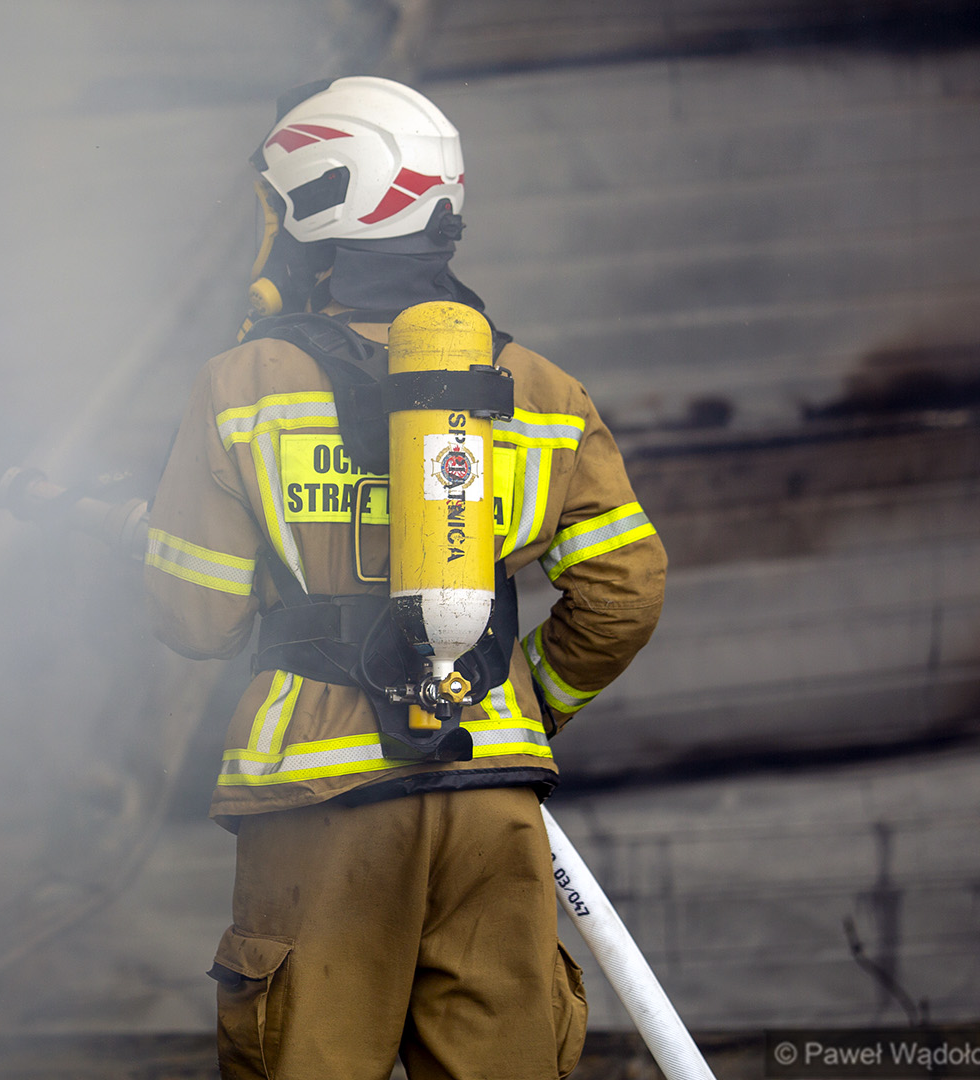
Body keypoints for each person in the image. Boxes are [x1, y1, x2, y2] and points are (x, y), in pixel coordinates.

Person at [142, 76, 667, 1079]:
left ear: (313, 202)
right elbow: (626, 589)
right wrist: (523, 702)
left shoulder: (240, 385)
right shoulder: (543, 388)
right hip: (490, 788)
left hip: (320, 794)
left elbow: (197, 615)